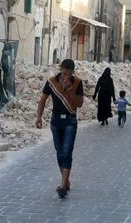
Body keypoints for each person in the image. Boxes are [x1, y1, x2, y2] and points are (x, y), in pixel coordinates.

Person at [36, 59, 84, 199]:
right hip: (55, 120)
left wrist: (70, 90)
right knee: (59, 151)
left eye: (69, 74)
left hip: (70, 120)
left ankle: (62, 187)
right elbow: (43, 99)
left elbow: (79, 104)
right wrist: (39, 117)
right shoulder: (51, 82)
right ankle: (66, 180)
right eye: (64, 74)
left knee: (67, 151)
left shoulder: (77, 83)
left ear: (73, 72)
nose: (66, 77)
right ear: (60, 70)